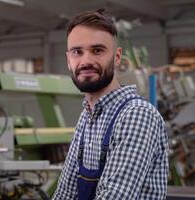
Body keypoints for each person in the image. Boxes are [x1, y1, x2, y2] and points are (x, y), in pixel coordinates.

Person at [52, 9, 168, 200]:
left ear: (116, 57)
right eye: (77, 52)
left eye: (97, 50)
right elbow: (65, 192)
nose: (86, 61)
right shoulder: (88, 116)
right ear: (68, 60)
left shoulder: (136, 115)